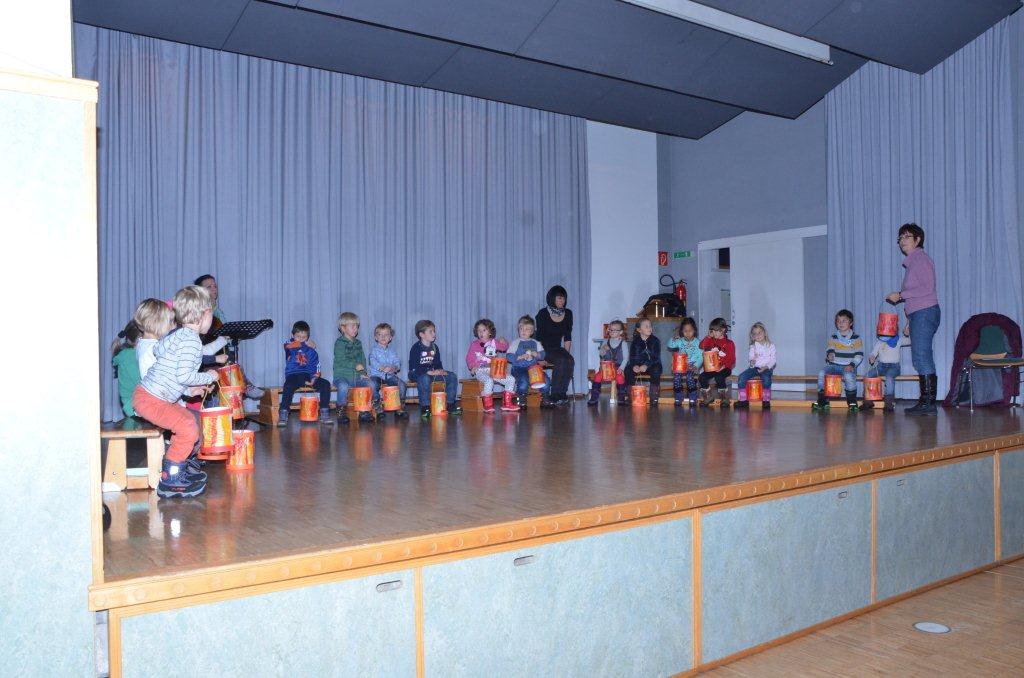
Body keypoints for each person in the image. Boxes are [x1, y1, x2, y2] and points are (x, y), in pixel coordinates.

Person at [132, 285, 217, 498]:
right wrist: (209, 376)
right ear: (203, 315)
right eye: (211, 315)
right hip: (152, 399)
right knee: (188, 427)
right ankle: (171, 478)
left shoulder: (177, 335)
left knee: (188, 420)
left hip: (149, 396)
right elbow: (184, 375)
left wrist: (189, 389)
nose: (212, 320)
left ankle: (178, 467)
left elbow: (159, 351)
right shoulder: (192, 342)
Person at [886, 223, 940, 416]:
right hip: (920, 314)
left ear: (918, 240)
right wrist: (909, 321)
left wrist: (900, 295)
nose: (902, 240)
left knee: (922, 357)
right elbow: (917, 296)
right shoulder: (913, 262)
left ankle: (928, 403)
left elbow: (927, 288)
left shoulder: (920, 259)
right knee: (919, 357)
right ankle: (925, 402)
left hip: (925, 313)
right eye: (900, 237)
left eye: (907, 236)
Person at [194, 274, 261, 399]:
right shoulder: (197, 312)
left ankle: (242, 388)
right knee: (229, 367)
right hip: (205, 357)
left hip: (219, 351)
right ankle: (245, 386)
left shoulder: (218, 312)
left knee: (232, 362)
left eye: (215, 286)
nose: (214, 289)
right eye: (209, 287)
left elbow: (224, 332)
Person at [277, 321, 334, 427]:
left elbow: (316, 364)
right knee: (288, 386)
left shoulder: (311, 350)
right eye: (298, 336)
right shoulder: (289, 345)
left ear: (308, 337)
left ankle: (324, 412)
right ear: (293, 335)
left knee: (325, 384)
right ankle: (283, 414)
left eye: (304, 337)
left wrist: (314, 377)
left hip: (307, 376)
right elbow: (287, 345)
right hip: (293, 375)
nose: (300, 339)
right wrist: (305, 343)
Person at [408, 319, 462, 419]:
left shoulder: (434, 347)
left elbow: (437, 363)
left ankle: (450, 404)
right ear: (422, 334)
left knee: (452, 376)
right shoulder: (416, 348)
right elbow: (413, 367)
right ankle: (425, 407)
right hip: (416, 372)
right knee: (424, 378)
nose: (434, 334)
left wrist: (440, 370)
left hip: (431, 373)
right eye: (430, 331)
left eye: (434, 331)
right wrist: (428, 372)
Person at [813, 310, 864, 412]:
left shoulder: (856, 338)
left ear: (851, 323)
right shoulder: (833, 337)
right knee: (822, 373)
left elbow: (859, 355)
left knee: (849, 377)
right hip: (834, 365)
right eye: (838, 321)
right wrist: (830, 355)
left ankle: (852, 402)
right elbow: (830, 349)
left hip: (848, 366)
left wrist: (852, 365)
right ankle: (823, 401)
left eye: (844, 321)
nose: (841, 323)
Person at [466, 319, 519, 413]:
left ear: (490, 332)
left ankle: (507, 404)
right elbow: (469, 357)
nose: (481, 332)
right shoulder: (474, 344)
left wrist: (504, 342)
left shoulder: (494, 342)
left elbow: (504, 347)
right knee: (489, 381)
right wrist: (472, 366)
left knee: (511, 379)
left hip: (494, 369)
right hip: (480, 370)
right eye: (479, 330)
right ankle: (488, 405)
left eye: (484, 330)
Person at [535, 285, 575, 407]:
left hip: (558, 348)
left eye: (564, 298)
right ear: (552, 298)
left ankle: (562, 394)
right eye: (559, 298)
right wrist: (540, 357)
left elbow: (567, 336)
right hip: (544, 349)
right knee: (561, 360)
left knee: (569, 360)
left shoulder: (568, 313)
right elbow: (538, 337)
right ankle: (555, 395)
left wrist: (567, 354)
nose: (562, 301)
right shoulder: (543, 313)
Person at [333, 312, 376, 424]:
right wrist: (355, 365)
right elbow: (341, 360)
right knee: (343, 386)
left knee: (370, 384)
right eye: (352, 326)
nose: (356, 329)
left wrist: (363, 373)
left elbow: (362, 359)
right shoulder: (339, 343)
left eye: (357, 326)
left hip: (357, 377)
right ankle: (341, 411)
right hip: (342, 376)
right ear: (343, 328)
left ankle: (364, 411)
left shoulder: (358, 343)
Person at [861, 325, 911, 412]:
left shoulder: (898, 340)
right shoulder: (879, 341)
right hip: (881, 366)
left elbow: (910, 341)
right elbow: (873, 353)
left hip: (894, 367)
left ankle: (888, 404)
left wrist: (907, 334)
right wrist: (872, 357)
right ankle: (868, 402)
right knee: (867, 376)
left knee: (889, 378)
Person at [368, 323, 408, 419]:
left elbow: (397, 362)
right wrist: (381, 367)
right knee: (373, 385)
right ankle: (377, 407)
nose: (383, 337)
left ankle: (400, 407)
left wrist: (394, 368)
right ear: (376, 337)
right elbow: (372, 361)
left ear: (390, 338)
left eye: (386, 334)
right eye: (380, 334)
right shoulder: (374, 350)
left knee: (402, 385)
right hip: (376, 375)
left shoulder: (392, 351)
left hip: (389, 376)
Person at [507, 315, 548, 408]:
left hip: (533, 369)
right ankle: (521, 399)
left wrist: (537, 354)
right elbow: (509, 355)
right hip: (519, 368)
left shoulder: (536, 343)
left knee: (545, 379)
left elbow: (543, 355)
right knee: (523, 380)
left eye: (526, 329)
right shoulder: (515, 342)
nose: (523, 331)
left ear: (532, 331)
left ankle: (545, 398)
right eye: (521, 329)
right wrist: (518, 357)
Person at [734, 322, 776, 410]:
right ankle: (743, 400)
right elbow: (751, 358)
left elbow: (773, 360)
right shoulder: (753, 346)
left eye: (759, 332)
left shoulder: (771, 346)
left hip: (766, 368)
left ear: (764, 333)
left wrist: (766, 367)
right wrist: (752, 361)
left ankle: (766, 400)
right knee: (742, 377)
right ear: (752, 336)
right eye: (755, 334)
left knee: (766, 379)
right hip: (755, 368)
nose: (757, 335)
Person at [134, 298, 177, 379]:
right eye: (170, 321)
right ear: (157, 323)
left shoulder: (143, 343)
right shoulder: (152, 348)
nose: (174, 326)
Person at [588, 319, 627, 406]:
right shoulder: (605, 341)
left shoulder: (623, 343)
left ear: (620, 332)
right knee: (597, 377)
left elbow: (626, 358)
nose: (612, 332)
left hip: (617, 367)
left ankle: (621, 397)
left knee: (620, 378)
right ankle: (594, 397)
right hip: (606, 368)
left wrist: (621, 368)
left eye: (615, 330)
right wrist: (603, 349)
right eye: (610, 330)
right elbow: (601, 355)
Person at [698, 317, 736, 408]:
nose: (714, 333)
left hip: (725, 368)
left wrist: (723, 366)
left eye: (716, 331)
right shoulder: (711, 340)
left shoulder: (729, 343)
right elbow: (701, 346)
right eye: (712, 331)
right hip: (712, 367)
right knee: (702, 377)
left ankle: (724, 398)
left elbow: (732, 359)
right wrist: (708, 337)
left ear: (723, 330)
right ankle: (708, 397)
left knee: (719, 377)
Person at [624, 318, 662, 408]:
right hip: (639, 365)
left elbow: (655, 357)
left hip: (652, 364)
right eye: (646, 326)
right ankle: (630, 395)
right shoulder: (635, 342)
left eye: (650, 326)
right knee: (628, 370)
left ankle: (654, 397)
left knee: (657, 369)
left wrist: (646, 365)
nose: (650, 328)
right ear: (639, 330)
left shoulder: (655, 341)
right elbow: (632, 357)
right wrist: (634, 366)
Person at [667, 317, 702, 407]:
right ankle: (678, 397)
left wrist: (696, 366)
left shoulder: (698, 342)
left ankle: (693, 398)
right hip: (681, 364)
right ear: (682, 331)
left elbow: (700, 356)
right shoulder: (680, 340)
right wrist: (673, 338)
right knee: (676, 378)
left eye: (690, 330)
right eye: (685, 331)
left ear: (694, 330)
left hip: (692, 365)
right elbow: (670, 345)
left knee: (690, 378)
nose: (688, 333)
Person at [111, 319, 141, 418]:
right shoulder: (131, 356)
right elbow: (142, 382)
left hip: (133, 403)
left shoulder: (127, 354)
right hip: (133, 405)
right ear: (139, 339)